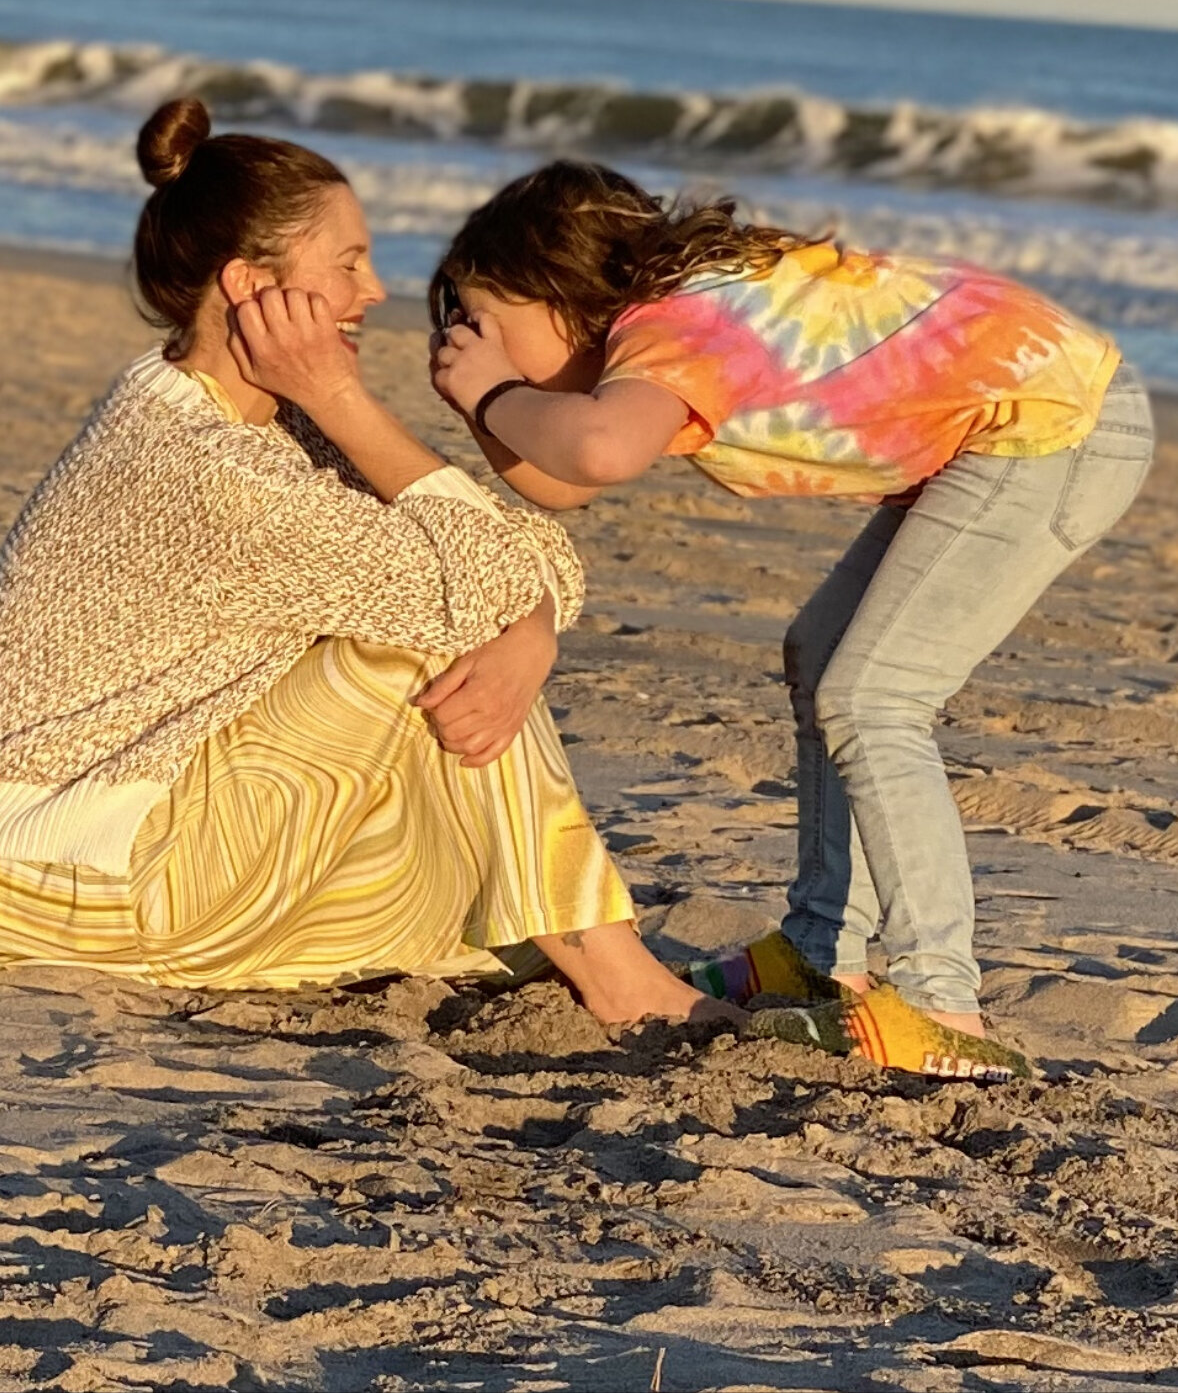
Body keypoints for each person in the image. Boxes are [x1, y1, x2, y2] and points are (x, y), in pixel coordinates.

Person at [0, 104, 718, 1029]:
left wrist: (532, 636)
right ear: (248, 285)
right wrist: (347, 399)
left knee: (470, 850)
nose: (376, 290)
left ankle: (592, 951)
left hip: (128, 833)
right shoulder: (204, 463)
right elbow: (475, 580)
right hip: (56, 882)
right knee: (425, 649)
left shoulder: (258, 416)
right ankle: (626, 984)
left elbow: (513, 558)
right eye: (347, 263)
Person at [427, 160, 1154, 1074]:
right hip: (990, 431)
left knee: (874, 694)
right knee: (822, 653)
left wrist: (494, 393)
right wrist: (488, 402)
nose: (469, 337)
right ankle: (821, 955)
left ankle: (944, 1008)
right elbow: (564, 483)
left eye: (485, 319)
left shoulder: (676, 325)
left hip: (1054, 425)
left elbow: (600, 452)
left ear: (559, 288)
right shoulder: (656, 328)